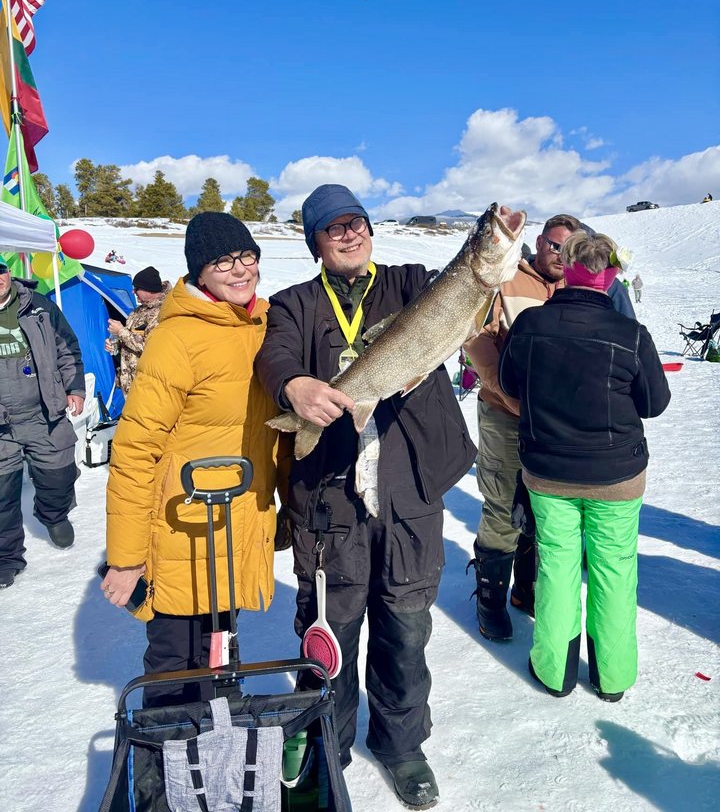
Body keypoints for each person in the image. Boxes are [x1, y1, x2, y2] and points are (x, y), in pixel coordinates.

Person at [255, 184, 475, 810]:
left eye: (357, 223)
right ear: (315, 243)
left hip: (410, 491)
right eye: (332, 228)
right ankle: (330, 741)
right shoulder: (294, 304)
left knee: (405, 629)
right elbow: (275, 357)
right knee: (331, 631)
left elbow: (468, 292)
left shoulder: (411, 283)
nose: (348, 234)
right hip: (329, 500)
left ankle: (403, 746)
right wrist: (294, 383)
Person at [101, 212, 282, 705]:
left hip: (238, 520)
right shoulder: (176, 338)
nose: (239, 269)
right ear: (199, 272)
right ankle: (164, 772)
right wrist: (125, 559)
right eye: (222, 261)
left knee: (221, 659)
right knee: (174, 665)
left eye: (246, 256)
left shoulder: (265, 324)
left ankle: (217, 765)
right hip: (183, 525)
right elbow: (136, 450)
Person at [498, 230, 670, 699]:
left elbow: (510, 384)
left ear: (567, 267)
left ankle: (555, 672)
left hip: (548, 472)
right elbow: (654, 402)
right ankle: (612, 677)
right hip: (616, 473)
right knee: (614, 568)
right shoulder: (630, 334)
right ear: (611, 275)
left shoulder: (531, 324)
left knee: (556, 565)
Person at [464, 213, 580, 640]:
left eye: (568, 248)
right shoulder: (507, 279)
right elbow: (475, 337)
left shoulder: (579, 288)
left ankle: (525, 589)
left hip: (554, 422)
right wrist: (500, 387)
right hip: (504, 414)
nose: (559, 255)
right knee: (502, 504)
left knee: (544, 504)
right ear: (538, 242)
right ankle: (490, 598)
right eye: (553, 245)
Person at [0, 254, 85, 588]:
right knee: (2, 495)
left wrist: (75, 387)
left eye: (1, 271)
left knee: (59, 475)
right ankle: (7, 557)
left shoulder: (38, 306)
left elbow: (68, 349)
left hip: (43, 414)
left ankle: (53, 513)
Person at [105, 266, 171, 394]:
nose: (133, 292)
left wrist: (121, 331)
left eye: (137, 288)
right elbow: (130, 340)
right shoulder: (138, 311)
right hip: (130, 385)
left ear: (149, 289)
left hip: (148, 387)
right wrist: (115, 345)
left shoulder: (164, 312)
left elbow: (151, 347)